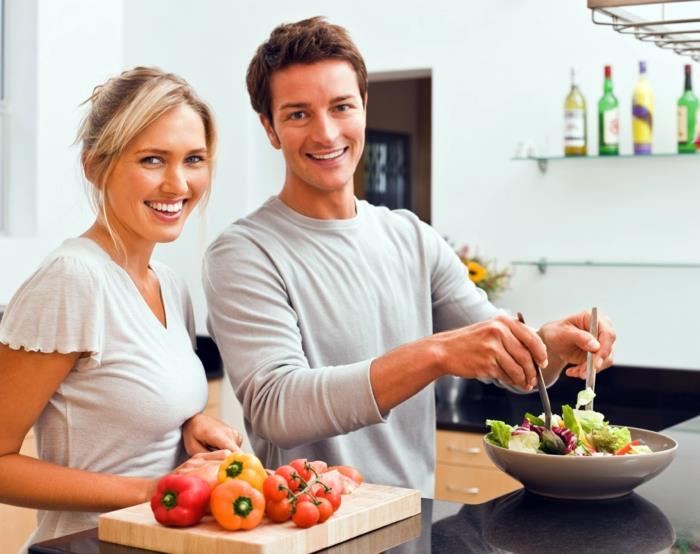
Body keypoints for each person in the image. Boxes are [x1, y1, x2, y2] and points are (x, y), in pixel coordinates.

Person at [203, 18, 616, 497]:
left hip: (413, 523)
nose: (326, 132)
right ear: (270, 129)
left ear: (363, 108)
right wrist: (435, 353)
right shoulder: (243, 252)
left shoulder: (411, 237)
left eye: (342, 107)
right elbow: (278, 409)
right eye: (298, 114)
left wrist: (549, 346)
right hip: (309, 529)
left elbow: (509, 365)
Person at [0, 67, 242, 550]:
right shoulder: (73, 279)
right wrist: (147, 493)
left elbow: (129, 404)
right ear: (94, 166)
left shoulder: (171, 286)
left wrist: (190, 424)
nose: (178, 183)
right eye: (152, 159)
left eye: (194, 159)